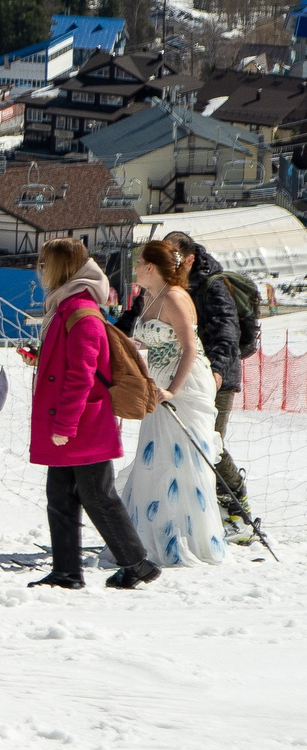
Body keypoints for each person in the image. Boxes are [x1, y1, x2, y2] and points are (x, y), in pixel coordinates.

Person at [31, 237, 158, 590]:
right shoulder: (68, 305)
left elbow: (82, 374)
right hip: (74, 422)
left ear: (62, 267)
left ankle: (137, 563)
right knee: (61, 497)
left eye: (45, 264)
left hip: (81, 422)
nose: (41, 271)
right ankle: (66, 571)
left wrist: (66, 424)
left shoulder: (80, 310)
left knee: (98, 495)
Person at [117, 241, 226, 567]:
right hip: (158, 381)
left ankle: (185, 538)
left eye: (139, 263)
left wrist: (173, 391)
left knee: (179, 461)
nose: (135, 267)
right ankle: (150, 535)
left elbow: (190, 348)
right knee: (154, 457)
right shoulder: (148, 297)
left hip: (184, 383)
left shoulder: (175, 298)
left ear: (152, 267)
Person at [163, 230, 259, 540]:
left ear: (189, 259)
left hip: (216, 377)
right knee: (185, 441)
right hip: (185, 375)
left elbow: (227, 333)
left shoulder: (213, 286)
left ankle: (237, 508)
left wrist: (216, 372)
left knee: (210, 441)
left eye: (173, 256)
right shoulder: (170, 285)